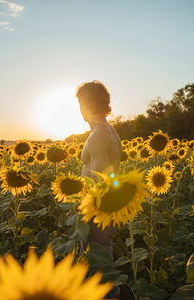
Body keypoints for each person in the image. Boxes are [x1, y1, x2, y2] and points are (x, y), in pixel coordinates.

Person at [76, 80, 122, 299]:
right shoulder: (110, 132)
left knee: (96, 268)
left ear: (85, 106)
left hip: (96, 210)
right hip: (108, 207)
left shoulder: (98, 136)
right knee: (104, 260)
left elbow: (98, 182)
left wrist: (78, 210)